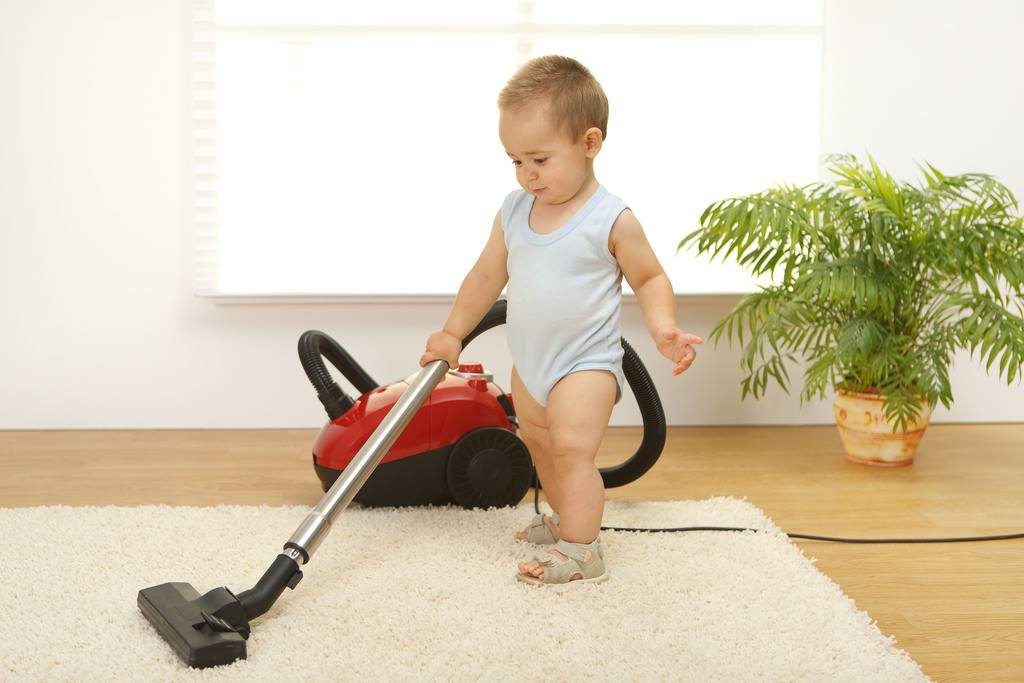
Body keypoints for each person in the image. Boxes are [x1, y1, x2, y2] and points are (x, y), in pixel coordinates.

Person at [419, 55, 703, 586]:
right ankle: (564, 518)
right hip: (531, 362)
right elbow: (485, 275)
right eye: (515, 161)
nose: (527, 173)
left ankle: (582, 550)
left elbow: (649, 278)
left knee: (572, 449)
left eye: (540, 159)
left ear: (589, 143)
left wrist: (664, 328)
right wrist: (453, 331)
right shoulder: (513, 211)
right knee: (541, 445)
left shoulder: (610, 218)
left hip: (585, 363)